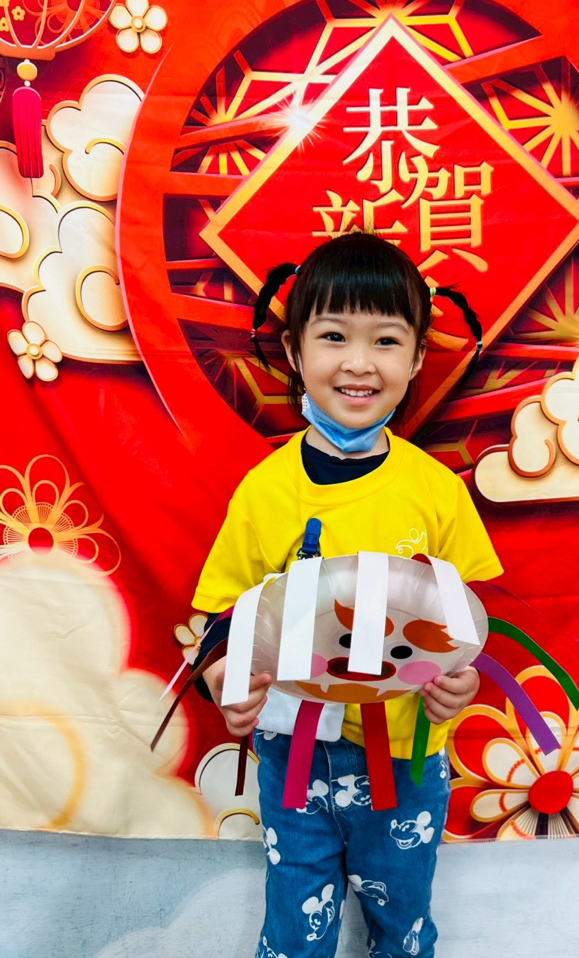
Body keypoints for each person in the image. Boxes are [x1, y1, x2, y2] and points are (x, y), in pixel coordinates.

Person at [192, 232, 503, 958]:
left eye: (386, 340)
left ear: (417, 357)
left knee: (404, 921)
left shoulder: (436, 492)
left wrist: (459, 682)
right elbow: (224, 616)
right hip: (292, 755)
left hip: (406, 756)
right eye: (333, 336)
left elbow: (465, 626)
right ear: (295, 350)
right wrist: (221, 679)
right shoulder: (265, 492)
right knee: (294, 924)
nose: (359, 363)